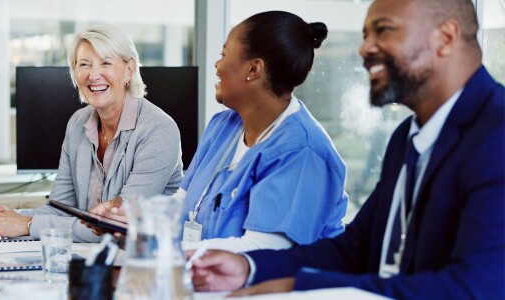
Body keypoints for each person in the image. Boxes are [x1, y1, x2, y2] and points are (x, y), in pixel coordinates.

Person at [189, 0, 504, 298]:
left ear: (446, 37)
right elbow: (357, 247)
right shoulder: (406, 137)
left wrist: (299, 286)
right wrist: (249, 267)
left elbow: (473, 290)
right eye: (366, 35)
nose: (364, 48)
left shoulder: (496, 135)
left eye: (384, 30)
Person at [89, 11, 348, 253]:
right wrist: (128, 219)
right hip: (209, 281)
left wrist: (168, 250)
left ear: (253, 69)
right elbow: (182, 205)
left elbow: (262, 249)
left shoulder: (301, 151)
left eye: (224, 55)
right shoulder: (223, 127)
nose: (216, 65)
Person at [0, 24, 184, 242]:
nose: (93, 75)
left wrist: (26, 224)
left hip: (144, 263)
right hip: (92, 257)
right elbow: (61, 208)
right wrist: (2, 219)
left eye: (106, 63)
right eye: (84, 64)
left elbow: (117, 226)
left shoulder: (159, 130)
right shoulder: (79, 123)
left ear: (129, 70)